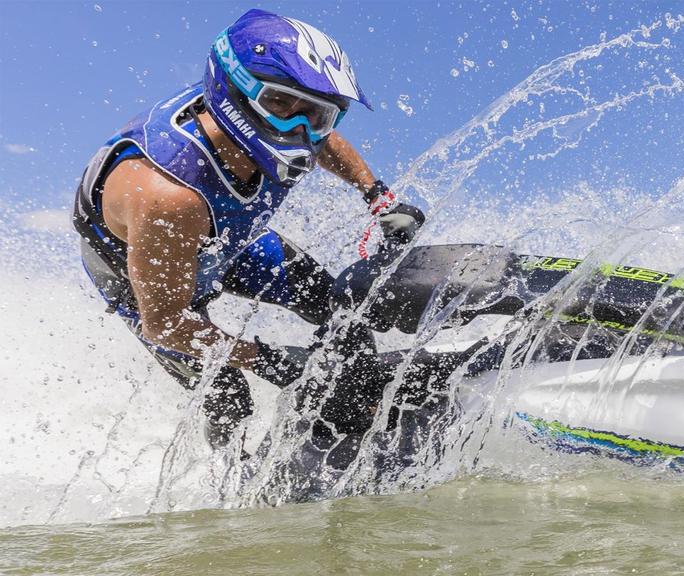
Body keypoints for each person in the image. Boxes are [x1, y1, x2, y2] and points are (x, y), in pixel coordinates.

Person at [71, 9, 424, 447]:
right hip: (145, 281)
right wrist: (271, 359)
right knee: (228, 395)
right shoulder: (169, 197)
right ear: (235, 92)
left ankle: (364, 405)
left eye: (315, 113)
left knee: (339, 309)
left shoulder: (275, 118)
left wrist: (377, 195)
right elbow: (164, 323)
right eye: (279, 103)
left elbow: (321, 138)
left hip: (230, 243)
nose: (298, 128)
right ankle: (234, 485)